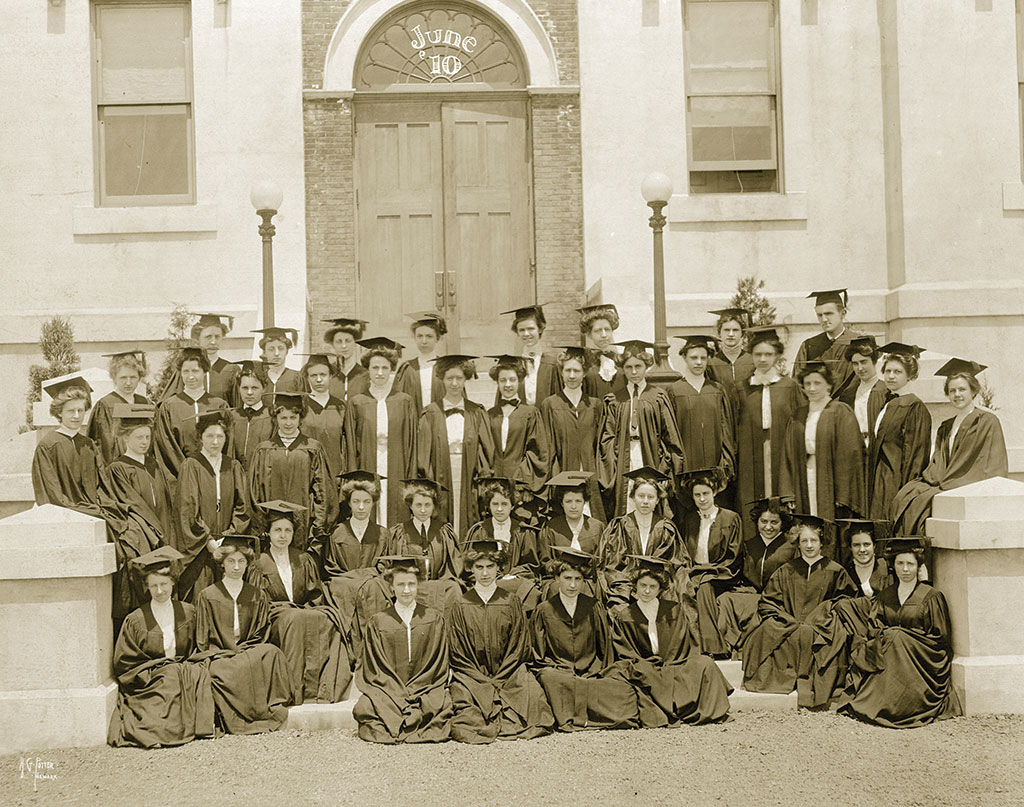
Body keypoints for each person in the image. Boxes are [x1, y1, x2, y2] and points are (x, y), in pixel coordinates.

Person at [838, 538, 962, 728]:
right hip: (891, 662)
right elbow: (875, 628)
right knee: (889, 639)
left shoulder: (931, 596)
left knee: (896, 636)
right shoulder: (886, 596)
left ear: (918, 566)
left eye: (910, 564)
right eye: (900, 563)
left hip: (921, 666)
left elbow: (939, 640)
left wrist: (901, 638)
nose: (905, 569)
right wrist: (891, 637)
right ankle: (886, 706)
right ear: (893, 566)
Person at [742, 515, 857, 708]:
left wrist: (821, 617)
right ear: (798, 543)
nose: (809, 545)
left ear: (822, 543)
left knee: (827, 638)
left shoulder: (835, 571)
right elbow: (769, 601)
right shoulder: (786, 570)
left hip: (822, 627)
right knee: (765, 632)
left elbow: (844, 603)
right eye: (804, 541)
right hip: (789, 626)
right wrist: (788, 620)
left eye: (814, 540)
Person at [447, 540, 555, 743]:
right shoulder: (461, 604)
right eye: (479, 567)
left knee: (533, 698)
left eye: (490, 567)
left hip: (509, 672)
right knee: (463, 701)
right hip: (473, 675)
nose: (485, 573)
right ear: (471, 568)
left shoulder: (511, 601)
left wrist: (501, 676)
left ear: (499, 568)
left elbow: (519, 645)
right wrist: (481, 678)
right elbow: (457, 650)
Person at [108, 546, 216, 748]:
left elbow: (201, 648)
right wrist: (154, 674)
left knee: (183, 675)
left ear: (173, 583)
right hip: (150, 682)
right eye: (154, 585)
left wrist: (189, 668)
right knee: (168, 682)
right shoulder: (136, 620)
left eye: (164, 584)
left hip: (183, 674)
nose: (159, 591)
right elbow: (126, 664)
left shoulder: (188, 612)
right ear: (146, 587)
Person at [609, 556, 732, 726]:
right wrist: (648, 664)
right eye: (643, 585)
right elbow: (625, 651)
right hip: (646, 666)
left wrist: (669, 665)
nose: (647, 591)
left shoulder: (673, 610)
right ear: (635, 586)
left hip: (674, 662)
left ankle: (708, 711)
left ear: (660, 589)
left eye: (652, 587)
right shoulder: (626, 616)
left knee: (705, 663)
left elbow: (681, 644)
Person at [892, 358, 1008, 537]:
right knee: (907, 494)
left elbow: (989, 463)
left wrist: (948, 482)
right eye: (952, 390)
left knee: (922, 500)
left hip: (968, 483)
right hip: (946, 480)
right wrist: (934, 479)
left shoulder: (986, 421)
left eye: (962, 389)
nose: (957, 395)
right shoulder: (947, 426)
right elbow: (938, 461)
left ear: (973, 391)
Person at [531, 546, 639, 731]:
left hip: (591, 672)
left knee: (623, 688)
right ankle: (591, 714)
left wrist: (601, 671)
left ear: (584, 581)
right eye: (567, 578)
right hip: (560, 673)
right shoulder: (544, 609)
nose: (572, 585)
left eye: (577, 579)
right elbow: (538, 655)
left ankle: (576, 712)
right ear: (557, 579)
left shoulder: (593, 607)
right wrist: (556, 668)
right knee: (549, 679)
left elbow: (604, 647)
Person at [255, 501, 350, 705]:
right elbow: (259, 603)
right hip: (274, 615)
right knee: (294, 618)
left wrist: (311, 608)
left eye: (287, 530)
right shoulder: (259, 563)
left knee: (326, 619)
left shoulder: (302, 558)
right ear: (268, 533)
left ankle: (322, 691)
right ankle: (292, 691)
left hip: (299, 611)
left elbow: (314, 595)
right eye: (278, 530)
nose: (283, 535)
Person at [194, 535, 292, 734]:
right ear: (222, 564)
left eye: (241, 561)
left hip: (248, 651)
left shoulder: (257, 595)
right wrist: (224, 653)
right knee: (216, 670)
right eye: (231, 561)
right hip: (220, 655)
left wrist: (244, 652)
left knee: (272, 653)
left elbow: (261, 633)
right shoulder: (208, 595)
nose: (236, 567)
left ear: (247, 564)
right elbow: (203, 639)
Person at [353, 556, 453, 744]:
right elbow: (374, 666)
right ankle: (408, 720)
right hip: (388, 689)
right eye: (400, 584)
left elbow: (437, 662)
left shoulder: (433, 618)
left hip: (425, 687)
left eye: (411, 584)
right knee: (364, 707)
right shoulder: (378, 621)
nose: (406, 590)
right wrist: (397, 691)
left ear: (418, 585)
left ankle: (402, 722)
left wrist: (416, 688)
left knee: (444, 703)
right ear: (391, 586)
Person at [598, 340, 685, 517]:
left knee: (650, 501)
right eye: (629, 367)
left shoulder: (658, 396)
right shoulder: (615, 399)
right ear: (623, 368)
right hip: (623, 457)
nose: (634, 371)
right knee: (626, 504)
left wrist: (663, 472)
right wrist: (612, 470)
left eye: (638, 366)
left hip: (651, 456)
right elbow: (607, 439)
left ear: (646, 366)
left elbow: (670, 438)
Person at [105, 404, 176, 625]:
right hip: (142, 541)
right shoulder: (117, 468)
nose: (145, 441)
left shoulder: (155, 465)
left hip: (162, 537)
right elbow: (131, 505)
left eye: (147, 436)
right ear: (126, 438)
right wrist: (155, 532)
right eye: (139, 437)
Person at [173, 408, 250, 602]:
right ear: (200, 437)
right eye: (209, 436)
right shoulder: (191, 465)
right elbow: (187, 509)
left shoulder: (233, 466)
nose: (215, 442)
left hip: (228, 547)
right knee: (200, 598)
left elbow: (243, 507)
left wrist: (227, 539)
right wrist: (209, 543)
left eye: (220, 436)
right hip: (199, 549)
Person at [734, 327, 804, 534]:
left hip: (781, 453)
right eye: (758, 354)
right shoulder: (741, 388)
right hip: (750, 456)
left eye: (768, 354)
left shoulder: (789, 387)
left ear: (777, 356)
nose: (763, 359)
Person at [249, 392, 337, 554]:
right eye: (283, 418)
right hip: (270, 525)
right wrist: (262, 524)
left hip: (304, 525)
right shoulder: (264, 449)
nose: (288, 423)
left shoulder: (313, 448)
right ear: (275, 419)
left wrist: (318, 527)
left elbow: (323, 492)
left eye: (292, 418)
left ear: (300, 419)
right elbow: (255, 493)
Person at [780, 361, 866, 526]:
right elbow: (788, 455)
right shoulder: (798, 415)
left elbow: (850, 457)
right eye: (807, 384)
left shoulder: (840, 411)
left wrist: (843, 493)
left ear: (828, 385)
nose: (812, 388)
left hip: (830, 480)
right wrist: (789, 493)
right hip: (804, 476)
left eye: (817, 383)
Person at [416, 354, 494, 535]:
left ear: (466, 379)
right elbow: (423, 456)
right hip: (440, 473)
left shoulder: (476, 412)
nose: (454, 383)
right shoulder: (430, 413)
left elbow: (485, 451)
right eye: (449, 378)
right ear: (442, 379)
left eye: (459, 378)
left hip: (468, 475)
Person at [345, 337, 418, 526]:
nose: (379, 373)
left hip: (397, 466)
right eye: (375, 367)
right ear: (367, 369)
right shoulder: (357, 402)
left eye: (385, 368)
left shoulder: (404, 401)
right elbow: (352, 446)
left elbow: (411, 445)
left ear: (392, 369)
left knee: (395, 510)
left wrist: (410, 480)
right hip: (368, 464)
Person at [715, 497, 798, 656]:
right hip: (750, 594)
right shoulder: (748, 545)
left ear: (782, 523)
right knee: (725, 600)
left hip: (776, 600)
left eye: (774, 522)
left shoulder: (790, 548)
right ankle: (723, 646)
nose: (768, 527)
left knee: (757, 611)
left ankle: (742, 649)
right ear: (757, 521)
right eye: (763, 521)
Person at [321, 471, 390, 660]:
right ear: (349, 503)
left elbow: (385, 568)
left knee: (375, 590)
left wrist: (360, 580)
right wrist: (360, 580)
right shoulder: (337, 534)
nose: (361, 507)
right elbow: (331, 569)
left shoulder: (382, 534)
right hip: (343, 590)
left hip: (373, 590)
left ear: (373, 503)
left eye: (366, 502)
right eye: (356, 501)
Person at [599, 467, 690, 606]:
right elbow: (611, 565)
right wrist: (631, 587)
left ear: (658, 500)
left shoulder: (666, 528)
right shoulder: (619, 526)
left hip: (658, 587)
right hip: (625, 587)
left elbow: (676, 563)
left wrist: (654, 584)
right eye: (641, 496)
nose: (645, 501)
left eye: (651, 497)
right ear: (632, 497)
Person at [678, 469, 742, 657]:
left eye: (706, 493)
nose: (702, 499)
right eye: (697, 495)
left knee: (705, 586)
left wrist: (705, 571)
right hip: (695, 572)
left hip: (722, 574)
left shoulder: (730, 518)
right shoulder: (690, 519)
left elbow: (733, 557)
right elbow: (685, 553)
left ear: (714, 492)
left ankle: (714, 647)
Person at [539, 346, 607, 520]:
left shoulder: (595, 405)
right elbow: (547, 447)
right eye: (567, 370)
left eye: (576, 371)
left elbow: (601, 445)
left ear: (584, 373)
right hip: (563, 472)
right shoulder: (550, 404)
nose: (571, 375)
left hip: (591, 476)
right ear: (561, 372)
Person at [32, 373, 110, 519]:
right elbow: (52, 494)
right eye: (70, 411)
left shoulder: (88, 444)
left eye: (80, 410)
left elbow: (102, 484)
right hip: (64, 513)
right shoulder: (48, 445)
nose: (76, 416)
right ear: (59, 413)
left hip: (94, 510)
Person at [867, 343, 932, 520]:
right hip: (878, 483)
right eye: (887, 371)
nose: (891, 376)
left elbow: (916, 458)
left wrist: (904, 496)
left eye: (897, 372)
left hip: (896, 485)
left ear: (910, 375)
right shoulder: (887, 403)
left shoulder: (914, 406)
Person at [464, 477, 544, 612]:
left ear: (512, 505)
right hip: (485, 581)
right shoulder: (479, 530)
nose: (499, 509)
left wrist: (512, 575)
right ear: (488, 506)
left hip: (515, 582)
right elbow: (469, 567)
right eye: (495, 504)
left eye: (504, 504)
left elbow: (531, 565)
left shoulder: (523, 531)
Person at [669, 335, 735, 494]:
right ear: (684, 357)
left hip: (714, 463)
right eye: (693, 357)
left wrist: (726, 462)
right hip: (686, 465)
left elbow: (726, 429)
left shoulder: (717, 390)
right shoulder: (674, 390)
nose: (698, 362)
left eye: (703, 358)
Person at [154, 347, 230, 481]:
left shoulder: (219, 405)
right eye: (185, 371)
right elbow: (167, 447)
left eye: (195, 371)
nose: (190, 376)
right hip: (180, 477)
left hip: (214, 475)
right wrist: (187, 472)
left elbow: (227, 445)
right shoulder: (169, 407)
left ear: (205, 371)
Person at [487, 354, 549, 492]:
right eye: (503, 380)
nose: (507, 384)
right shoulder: (490, 414)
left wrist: (525, 484)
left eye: (512, 380)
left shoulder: (530, 413)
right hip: (494, 483)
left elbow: (536, 452)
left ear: (520, 381)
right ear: (497, 382)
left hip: (520, 483)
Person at [792, 289, 863, 400]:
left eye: (829, 313)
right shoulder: (809, 346)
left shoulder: (858, 343)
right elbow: (797, 384)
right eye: (819, 315)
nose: (824, 319)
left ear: (843, 313)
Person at [157, 314, 240, 405]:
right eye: (208, 337)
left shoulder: (231, 370)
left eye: (217, 337)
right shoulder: (186, 368)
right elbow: (170, 404)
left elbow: (237, 407)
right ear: (197, 338)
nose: (213, 342)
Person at [832, 518, 894, 640]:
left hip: (885, 631)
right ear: (850, 547)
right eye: (856, 545)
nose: (862, 550)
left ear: (874, 545)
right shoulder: (845, 573)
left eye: (866, 544)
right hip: (856, 634)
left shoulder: (887, 568)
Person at [89, 348, 150, 467]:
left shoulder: (145, 404)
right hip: (116, 470)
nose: (128, 382)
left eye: (133, 377)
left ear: (139, 377)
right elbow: (103, 447)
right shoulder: (105, 405)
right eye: (123, 377)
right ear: (114, 377)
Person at [500, 304, 563, 405]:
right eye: (521, 330)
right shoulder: (512, 365)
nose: (526, 334)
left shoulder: (552, 365)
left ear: (540, 329)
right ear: (517, 332)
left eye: (531, 329)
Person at [299, 352, 346, 481]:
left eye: (323, 375)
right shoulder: (300, 406)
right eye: (313, 375)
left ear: (330, 376)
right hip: (305, 472)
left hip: (335, 473)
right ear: (307, 377)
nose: (318, 379)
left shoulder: (341, 407)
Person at [539, 471, 606, 558]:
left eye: (578, 501)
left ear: (584, 502)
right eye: (568, 501)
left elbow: (603, 561)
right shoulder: (551, 528)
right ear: (562, 503)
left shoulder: (597, 527)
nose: (573, 506)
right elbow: (546, 560)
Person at [837, 336, 888, 447]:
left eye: (864, 362)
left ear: (874, 361)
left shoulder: (885, 391)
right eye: (855, 363)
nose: (860, 368)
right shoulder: (848, 394)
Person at [393, 311, 446, 412]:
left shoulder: (446, 367)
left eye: (429, 336)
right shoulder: (407, 369)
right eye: (420, 336)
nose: (424, 341)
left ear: (437, 338)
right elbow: (398, 403)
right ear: (415, 338)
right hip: (414, 424)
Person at [706, 308, 755, 415]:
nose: (731, 334)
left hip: (748, 419)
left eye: (736, 330)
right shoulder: (711, 364)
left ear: (743, 333)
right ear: (719, 333)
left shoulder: (752, 361)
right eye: (726, 330)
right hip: (721, 419)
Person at [231, 360, 274, 470]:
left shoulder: (272, 417)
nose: (249, 392)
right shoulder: (231, 417)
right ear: (238, 388)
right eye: (245, 388)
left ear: (264, 388)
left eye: (254, 388)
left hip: (262, 477)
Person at [578, 303, 622, 398]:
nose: (604, 335)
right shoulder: (583, 362)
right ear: (589, 334)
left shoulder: (621, 361)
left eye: (607, 330)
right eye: (598, 331)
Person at [322, 316, 369, 399]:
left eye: (348, 341)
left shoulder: (365, 375)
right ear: (333, 345)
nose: (344, 346)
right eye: (339, 342)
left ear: (355, 343)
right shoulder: (326, 374)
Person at [252, 326, 302, 396]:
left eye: (281, 348)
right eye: (271, 349)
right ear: (265, 352)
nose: (276, 353)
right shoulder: (258, 378)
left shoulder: (297, 377)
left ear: (286, 351)